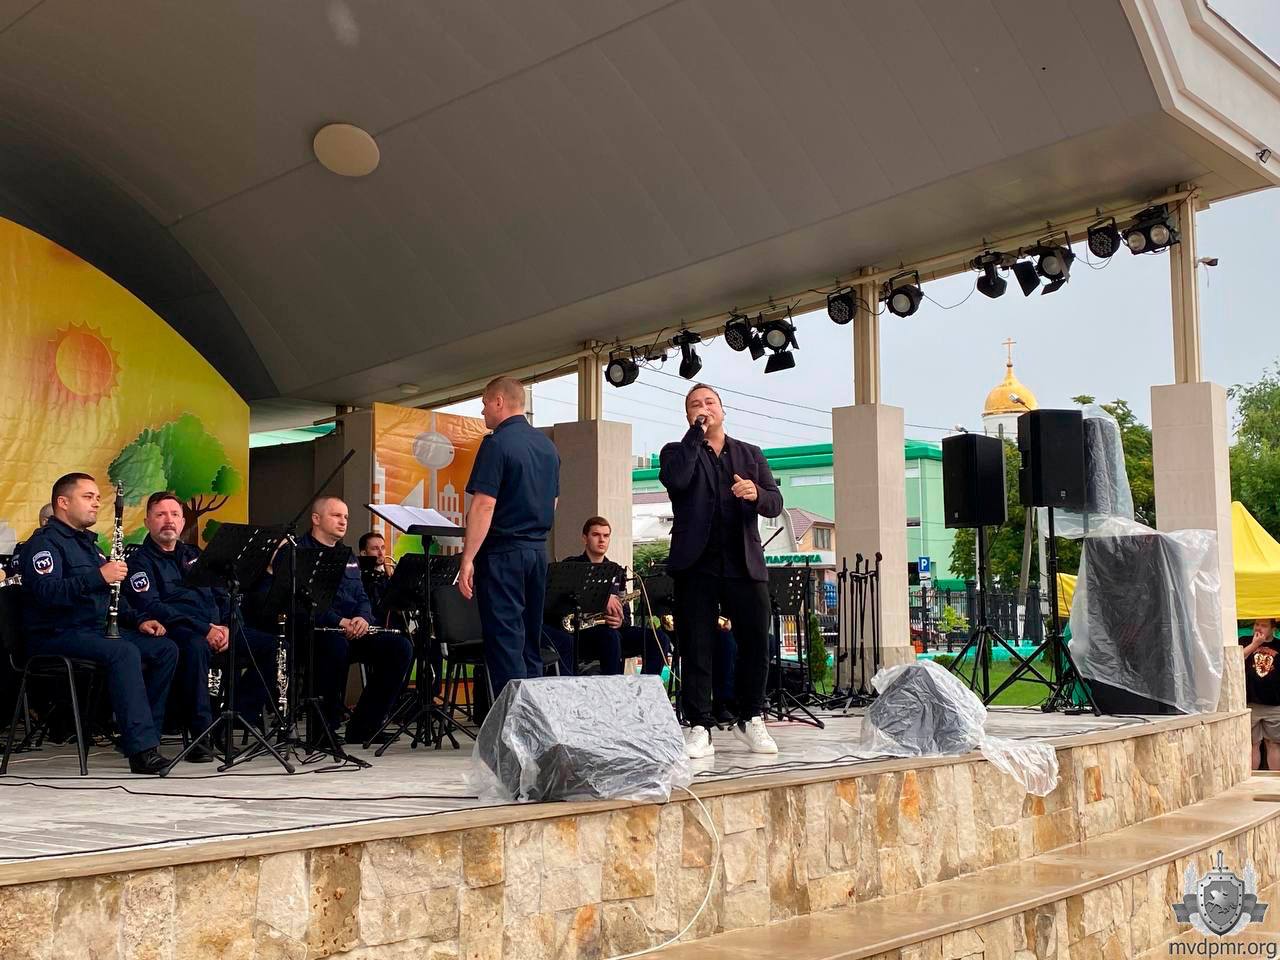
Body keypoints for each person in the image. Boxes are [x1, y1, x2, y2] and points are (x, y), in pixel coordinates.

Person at [19, 473, 177, 774]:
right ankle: (141, 752)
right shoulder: (44, 544)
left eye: (97, 498)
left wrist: (141, 620)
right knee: (123, 652)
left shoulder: (90, 545)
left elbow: (111, 596)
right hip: (56, 633)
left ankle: (146, 736)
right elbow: (46, 593)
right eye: (88, 497)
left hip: (92, 631)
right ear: (63, 502)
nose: (96, 503)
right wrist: (98, 576)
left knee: (164, 649)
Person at [660, 383, 783, 759]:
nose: (704, 408)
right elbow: (677, 480)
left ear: (723, 410)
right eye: (695, 405)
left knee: (756, 642)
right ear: (688, 415)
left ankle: (751, 716)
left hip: (742, 560)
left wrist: (756, 493)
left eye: (710, 402)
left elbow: (775, 502)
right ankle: (700, 725)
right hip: (696, 563)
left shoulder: (750, 453)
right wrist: (694, 435)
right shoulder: (676, 451)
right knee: (696, 644)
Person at [125, 491, 278, 756]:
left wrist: (229, 627)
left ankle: (233, 718)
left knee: (275, 647)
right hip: (179, 632)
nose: (169, 520)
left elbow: (224, 595)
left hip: (218, 629)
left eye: (174, 514)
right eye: (160, 515)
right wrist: (204, 629)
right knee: (196, 648)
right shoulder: (139, 562)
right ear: (147, 521)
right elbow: (153, 607)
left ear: (183, 522)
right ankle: (201, 735)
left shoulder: (195, 555)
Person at [458, 376, 560, 699]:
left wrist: (467, 558)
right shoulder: (548, 447)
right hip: (537, 551)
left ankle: (514, 723)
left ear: (499, 401)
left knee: (505, 642)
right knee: (531, 641)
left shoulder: (496, 444)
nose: (483, 410)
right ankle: (535, 720)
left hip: (503, 552)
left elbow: (484, 505)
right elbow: (553, 502)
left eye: (485, 403)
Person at [300, 496, 414, 745]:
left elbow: (361, 595)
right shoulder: (299, 552)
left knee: (400, 648)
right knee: (334, 646)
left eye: (346, 517)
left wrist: (363, 618)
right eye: (336, 515)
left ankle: (365, 726)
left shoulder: (348, 555)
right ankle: (323, 729)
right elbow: (303, 600)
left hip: (353, 628)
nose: (343, 521)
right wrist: (340, 621)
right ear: (316, 519)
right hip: (318, 631)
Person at [1243, 618, 1280, 770]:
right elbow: (1235, 660)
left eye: (1264, 625)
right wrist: (1254, 645)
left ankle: (1275, 781)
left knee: (1273, 743)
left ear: (1273, 629)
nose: (1258, 628)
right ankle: (1252, 779)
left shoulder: (1279, 645)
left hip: (1274, 704)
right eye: (1256, 624)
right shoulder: (1244, 641)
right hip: (1250, 703)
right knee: (1252, 744)